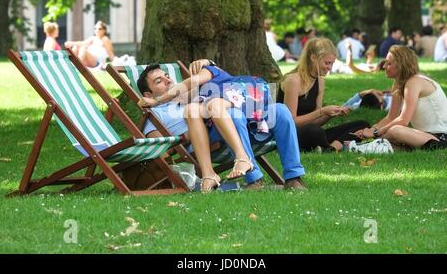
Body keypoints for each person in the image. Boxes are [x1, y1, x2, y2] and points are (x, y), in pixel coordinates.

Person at [137, 61, 307, 192]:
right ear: (147, 95)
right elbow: (162, 150)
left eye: (167, 76)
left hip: (239, 117)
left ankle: (294, 177)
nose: (167, 80)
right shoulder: (154, 116)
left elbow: (224, 81)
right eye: (159, 81)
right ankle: (253, 178)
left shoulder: (186, 93)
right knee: (233, 115)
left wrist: (207, 63)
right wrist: (190, 134)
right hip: (211, 136)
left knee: (280, 110)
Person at [277, 37, 370, 152]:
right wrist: (322, 111)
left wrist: (331, 114)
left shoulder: (320, 81)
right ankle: (324, 146)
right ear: (313, 58)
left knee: (363, 124)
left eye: (332, 64)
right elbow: (291, 122)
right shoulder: (293, 80)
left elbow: (316, 122)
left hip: (311, 131)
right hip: (290, 135)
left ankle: (330, 148)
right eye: (327, 63)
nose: (329, 68)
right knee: (314, 131)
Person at [354, 45, 447, 150]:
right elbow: (391, 117)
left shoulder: (414, 81)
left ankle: (374, 145)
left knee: (395, 130)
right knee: (387, 130)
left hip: (441, 137)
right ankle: (371, 147)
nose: (384, 66)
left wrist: (376, 133)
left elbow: (403, 120)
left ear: (401, 65)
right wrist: (372, 129)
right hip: (423, 135)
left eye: (389, 63)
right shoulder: (398, 84)